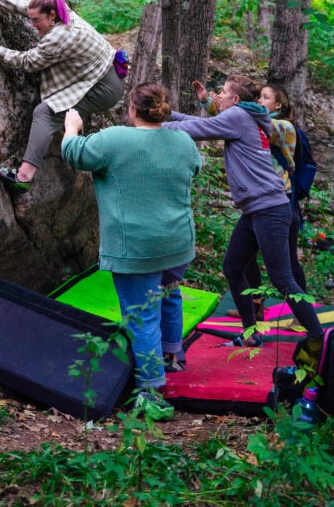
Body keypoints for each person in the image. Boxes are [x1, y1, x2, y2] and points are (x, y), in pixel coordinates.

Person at [61, 83, 201, 420]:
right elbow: (195, 168)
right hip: (177, 242)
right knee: (170, 294)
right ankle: (173, 356)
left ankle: (151, 390)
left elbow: (75, 154)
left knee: (141, 316)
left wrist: (71, 128)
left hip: (136, 247)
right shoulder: (182, 140)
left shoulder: (114, 139)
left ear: (133, 110)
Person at [162, 75, 323, 352]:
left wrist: (156, 125)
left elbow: (199, 129)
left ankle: (320, 340)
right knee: (233, 267)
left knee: (282, 278)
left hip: (269, 207)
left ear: (235, 100)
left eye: (223, 92)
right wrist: (169, 114)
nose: (219, 96)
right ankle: (250, 333)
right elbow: (203, 122)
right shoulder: (244, 115)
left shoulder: (238, 115)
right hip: (256, 208)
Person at [0, 0, 127, 190]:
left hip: (103, 88)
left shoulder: (58, 37)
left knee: (45, 113)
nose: (32, 25)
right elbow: (21, 4)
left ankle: (23, 177)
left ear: (51, 15)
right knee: (55, 111)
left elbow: (27, 62)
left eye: (37, 21)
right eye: (32, 19)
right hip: (102, 74)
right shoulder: (62, 11)